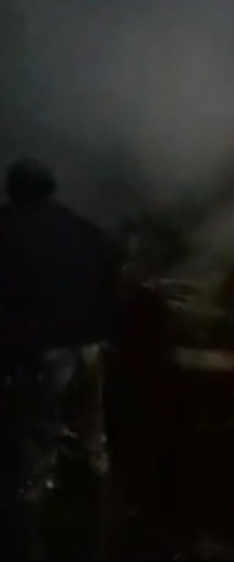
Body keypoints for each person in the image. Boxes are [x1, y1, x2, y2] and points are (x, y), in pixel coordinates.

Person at [0, 158, 121, 558]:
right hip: (91, 350)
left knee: (33, 457)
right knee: (94, 449)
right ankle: (98, 541)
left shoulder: (7, 228)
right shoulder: (86, 230)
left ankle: (28, 548)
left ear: (13, 191)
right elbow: (111, 287)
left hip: (44, 355)